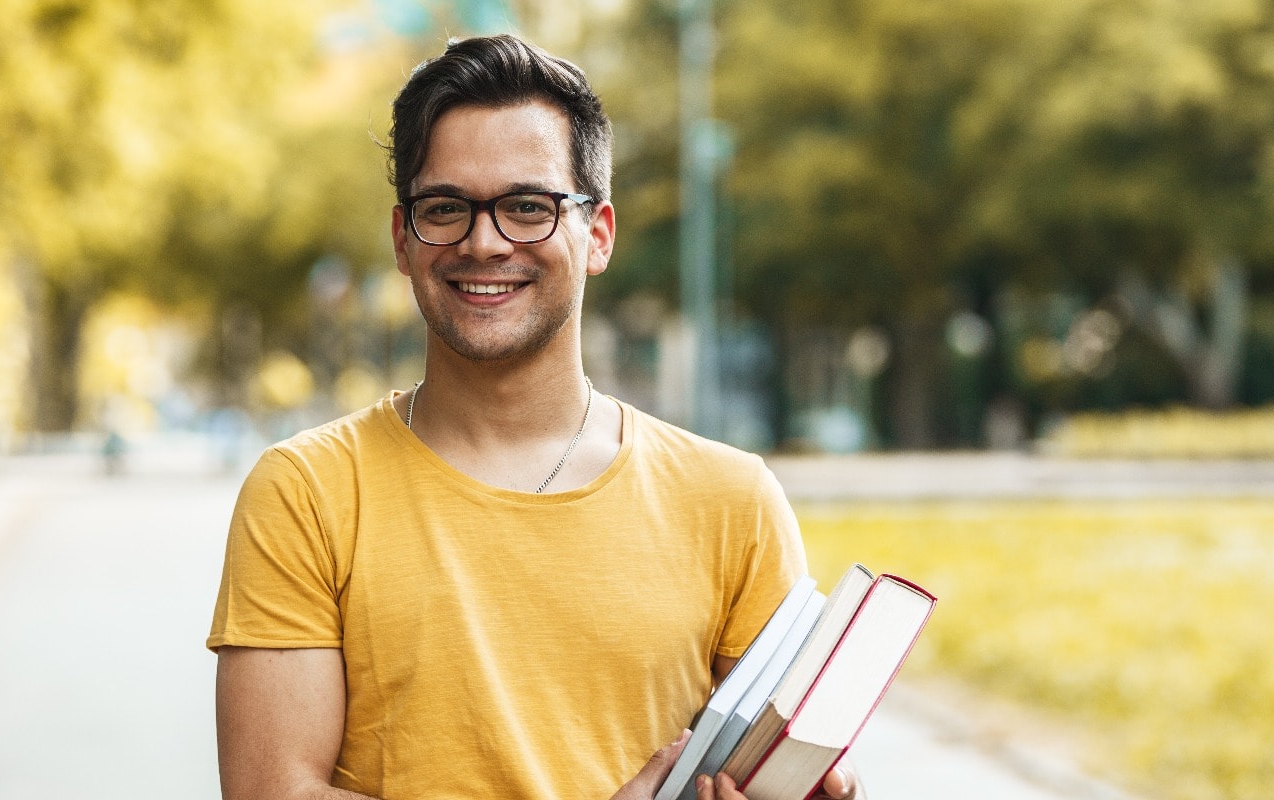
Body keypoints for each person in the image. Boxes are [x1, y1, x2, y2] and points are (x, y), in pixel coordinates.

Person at [207, 34, 864, 800]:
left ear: (598, 235)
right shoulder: (306, 494)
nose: (484, 242)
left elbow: (772, 771)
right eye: (445, 208)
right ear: (402, 238)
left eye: (528, 207)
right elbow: (272, 792)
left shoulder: (732, 501)